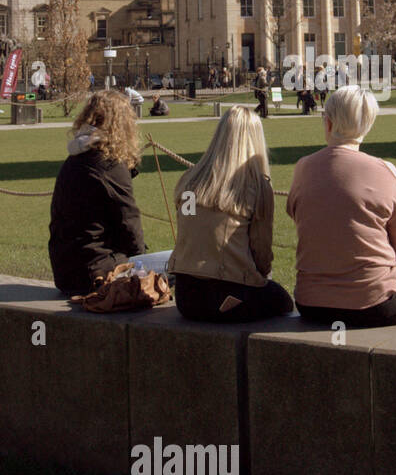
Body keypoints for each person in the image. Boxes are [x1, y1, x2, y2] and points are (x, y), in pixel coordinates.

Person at [287, 87, 396, 327]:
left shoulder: (303, 168)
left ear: (328, 123)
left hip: (312, 302)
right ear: (367, 125)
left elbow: (300, 217)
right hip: (375, 299)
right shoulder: (385, 171)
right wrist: (394, 278)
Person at [169, 107, 293, 322]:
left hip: (186, 295)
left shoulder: (190, 179)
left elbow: (189, 232)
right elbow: (261, 250)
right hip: (226, 295)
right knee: (282, 300)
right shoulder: (256, 186)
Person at [48, 92, 151, 296]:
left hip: (64, 269)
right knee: (170, 268)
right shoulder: (109, 164)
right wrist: (145, 267)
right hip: (93, 271)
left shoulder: (76, 158)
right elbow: (129, 223)